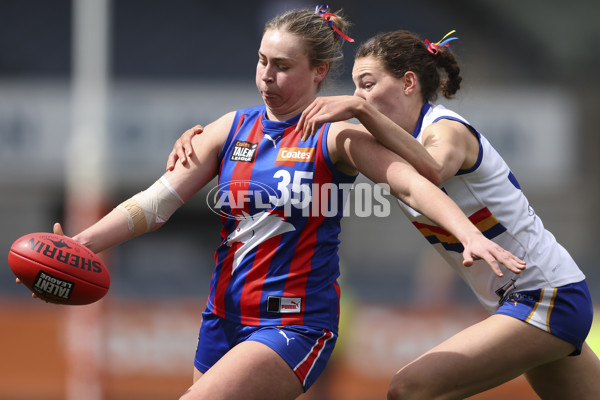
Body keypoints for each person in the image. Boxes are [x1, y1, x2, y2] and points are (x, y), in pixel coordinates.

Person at [34, 9, 523, 399]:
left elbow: (415, 185)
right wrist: (82, 243)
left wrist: (470, 234)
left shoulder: (338, 138)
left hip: (293, 323)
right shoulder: (231, 128)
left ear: (319, 72)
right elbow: (155, 203)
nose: (267, 75)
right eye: (262, 61)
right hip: (222, 318)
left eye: (283, 66)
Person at [170, 28, 600, 399]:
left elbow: (430, 171)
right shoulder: (391, 140)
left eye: (368, 84)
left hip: (545, 295)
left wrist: (357, 110)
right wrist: (205, 141)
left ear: (409, 82)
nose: (358, 96)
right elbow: (283, 144)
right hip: (523, 299)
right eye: (356, 88)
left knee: (409, 389)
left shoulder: (446, 130)